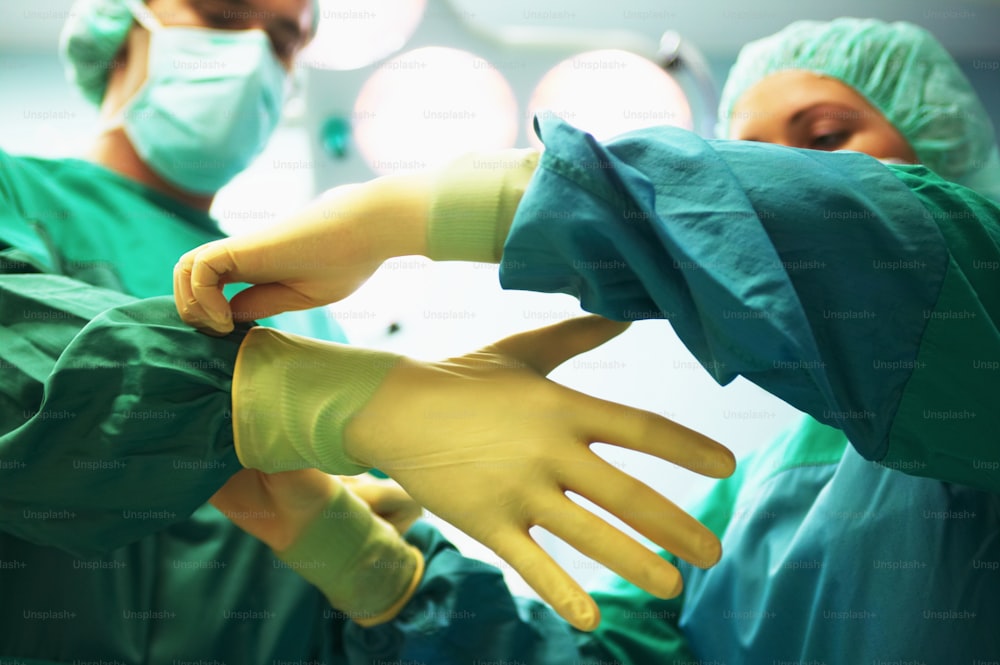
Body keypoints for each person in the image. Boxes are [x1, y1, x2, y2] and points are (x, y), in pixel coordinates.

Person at [175, 17, 1000, 663]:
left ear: (942, 153)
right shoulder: (755, 492)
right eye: (741, 154)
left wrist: (441, 210)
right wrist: (378, 567)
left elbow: (891, 251)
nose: (771, 182)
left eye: (822, 141)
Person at [0, 0, 733, 660]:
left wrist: (378, 566)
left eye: (285, 39)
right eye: (223, 16)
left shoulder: (298, 304)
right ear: (121, 23)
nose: (255, 52)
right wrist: (320, 401)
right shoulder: (17, 193)